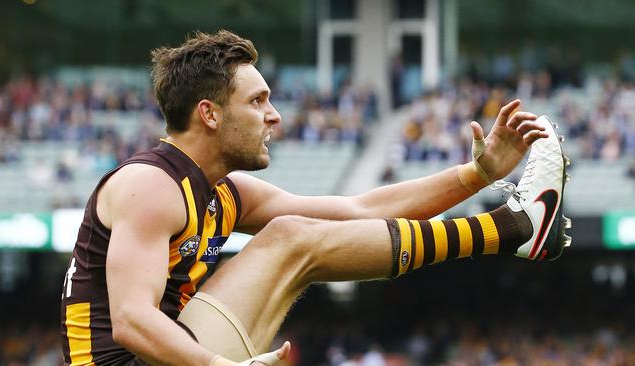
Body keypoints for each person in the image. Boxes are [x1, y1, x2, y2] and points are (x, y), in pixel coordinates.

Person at [60, 30, 570, 366]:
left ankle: (516, 228)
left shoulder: (222, 192)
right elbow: (130, 320)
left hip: (178, 357)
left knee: (295, 236)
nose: (275, 115)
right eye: (258, 101)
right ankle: (515, 227)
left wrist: (477, 174)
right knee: (288, 238)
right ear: (209, 114)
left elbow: (359, 213)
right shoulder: (148, 185)